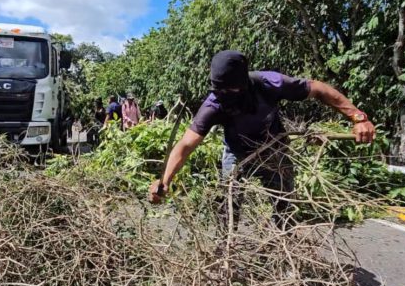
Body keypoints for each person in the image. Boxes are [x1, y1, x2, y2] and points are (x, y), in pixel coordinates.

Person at [148, 50, 376, 229]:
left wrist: (358, 117)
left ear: (243, 84)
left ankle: (285, 255)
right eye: (218, 89)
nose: (223, 94)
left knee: (284, 207)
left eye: (230, 89)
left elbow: (318, 89)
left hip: (275, 148)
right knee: (228, 206)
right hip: (237, 155)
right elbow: (186, 144)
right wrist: (165, 181)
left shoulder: (269, 83)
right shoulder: (213, 105)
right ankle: (225, 255)